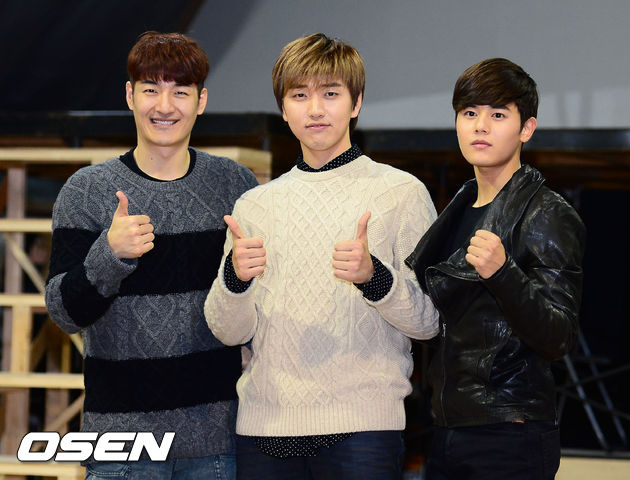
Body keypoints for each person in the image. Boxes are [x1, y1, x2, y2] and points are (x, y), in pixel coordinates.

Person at [203, 33, 439, 479]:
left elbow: (430, 321)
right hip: (263, 429)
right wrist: (235, 280)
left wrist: (374, 278)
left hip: (363, 428)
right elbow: (227, 331)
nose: (315, 109)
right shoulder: (255, 205)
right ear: (283, 108)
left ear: (356, 103)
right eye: (300, 95)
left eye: (330, 94)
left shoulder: (400, 193)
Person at [45, 31, 258, 479]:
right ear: (130, 96)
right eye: (150, 89)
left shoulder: (235, 185)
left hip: (216, 444)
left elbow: (260, 299)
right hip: (121, 446)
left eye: (180, 91)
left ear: (201, 101)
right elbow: (64, 314)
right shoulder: (86, 191)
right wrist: (109, 254)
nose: (164, 106)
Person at [406, 58, 586, 480]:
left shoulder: (547, 213)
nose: (480, 126)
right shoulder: (458, 208)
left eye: (498, 115)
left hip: (510, 429)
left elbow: (559, 336)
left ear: (527, 128)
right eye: (469, 113)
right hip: (447, 426)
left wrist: (504, 274)